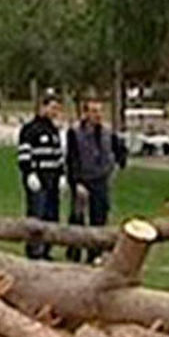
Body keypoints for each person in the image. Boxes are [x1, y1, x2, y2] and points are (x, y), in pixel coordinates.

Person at [66, 100, 128, 263]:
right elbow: (72, 159)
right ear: (85, 113)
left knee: (99, 217)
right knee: (78, 218)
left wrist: (118, 165)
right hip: (83, 180)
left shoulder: (108, 132)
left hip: (101, 180)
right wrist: (76, 182)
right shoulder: (75, 132)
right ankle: (74, 251)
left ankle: (95, 253)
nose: (97, 115)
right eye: (93, 111)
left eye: (100, 111)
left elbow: (120, 150)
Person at [17, 92, 66, 260]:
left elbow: (58, 155)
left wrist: (61, 175)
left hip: (52, 179)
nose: (55, 112)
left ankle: (46, 250)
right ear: (42, 107)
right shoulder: (30, 129)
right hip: (38, 179)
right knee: (36, 214)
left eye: (57, 109)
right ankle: (34, 250)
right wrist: (29, 173)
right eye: (52, 108)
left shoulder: (53, 130)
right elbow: (24, 154)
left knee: (51, 216)